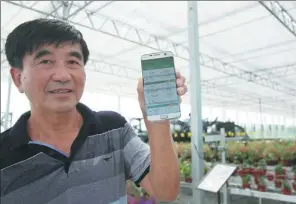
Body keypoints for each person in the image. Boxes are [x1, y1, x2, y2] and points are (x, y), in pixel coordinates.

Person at [0, 18, 188, 204]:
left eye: (73, 61)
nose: (63, 75)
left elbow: (165, 192)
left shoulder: (114, 129)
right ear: (18, 78)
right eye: (46, 61)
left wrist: (156, 119)